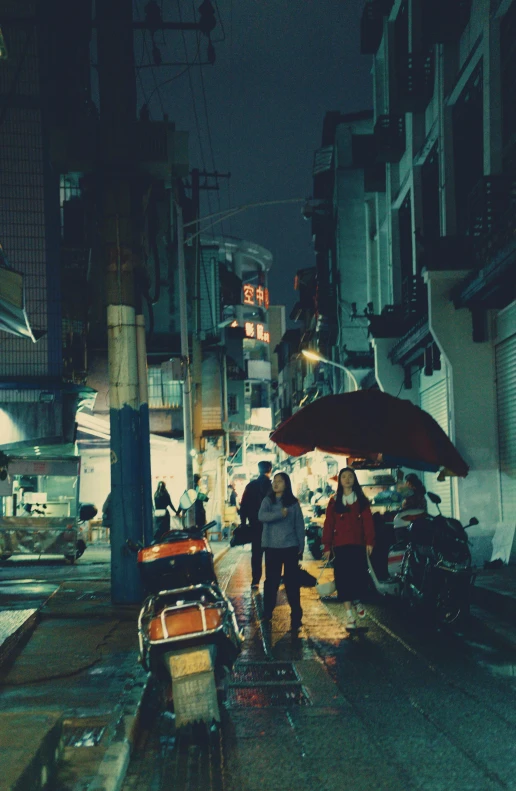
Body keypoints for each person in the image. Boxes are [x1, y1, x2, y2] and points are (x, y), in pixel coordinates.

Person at [322, 467, 375, 631]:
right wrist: (326, 546)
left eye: (350, 476)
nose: (347, 479)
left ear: (354, 479)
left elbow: (368, 522)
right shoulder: (334, 500)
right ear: (339, 480)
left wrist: (370, 542)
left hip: (358, 545)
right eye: (343, 476)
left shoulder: (361, 500)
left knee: (358, 577)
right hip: (340, 547)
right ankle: (350, 617)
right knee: (343, 580)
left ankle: (357, 601)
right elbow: (329, 524)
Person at [258, 472, 305, 632]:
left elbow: (299, 525)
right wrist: (279, 514)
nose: (276, 484)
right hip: (272, 547)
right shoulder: (267, 501)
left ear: (287, 484)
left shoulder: (293, 503)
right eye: (274, 481)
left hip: (290, 546)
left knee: (292, 582)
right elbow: (261, 516)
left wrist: (301, 546)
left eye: (280, 481)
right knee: (271, 581)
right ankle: (267, 611)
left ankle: (296, 615)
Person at [239, 460, 273, 588]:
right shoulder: (272, 486)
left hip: (255, 526)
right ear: (270, 470)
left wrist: (243, 523)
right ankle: (270, 580)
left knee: (256, 554)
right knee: (271, 555)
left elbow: (243, 506)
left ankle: (255, 581)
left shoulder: (250, 486)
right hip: (271, 526)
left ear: (258, 470)